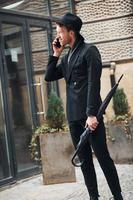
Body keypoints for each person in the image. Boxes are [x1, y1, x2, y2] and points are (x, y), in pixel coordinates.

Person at [45, 13, 123, 200]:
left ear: (71, 32)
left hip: (90, 116)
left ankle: (118, 196)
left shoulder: (89, 51)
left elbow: (93, 84)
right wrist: (56, 54)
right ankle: (93, 197)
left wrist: (91, 115)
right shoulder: (67, 57)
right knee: (85, 161)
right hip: (73, 117)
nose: (58, 36)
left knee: (103, 158)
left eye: (60, 32)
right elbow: (49, 76)